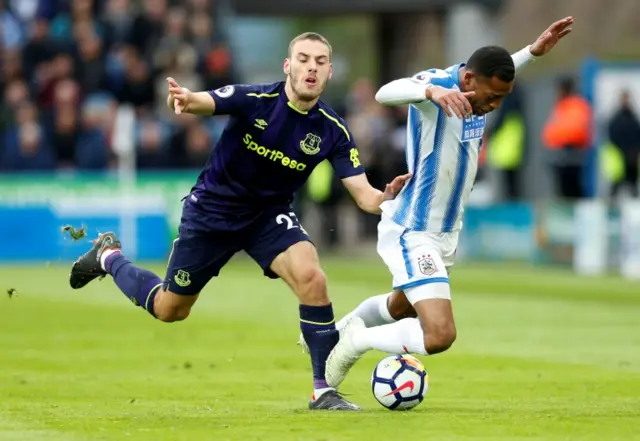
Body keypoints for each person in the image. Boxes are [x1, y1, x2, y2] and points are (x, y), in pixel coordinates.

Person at [68, 32, 410, 411]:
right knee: (170, 309)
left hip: (267, 216)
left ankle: (322, 389)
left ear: (329, 72)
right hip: (211, 213)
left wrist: (387, 198)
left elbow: (365, 197)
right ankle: (109, 256)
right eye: (303, 58)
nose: (311, 67)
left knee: (312, 276)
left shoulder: (333, 130)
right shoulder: (255, 99)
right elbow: (204, 101)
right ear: (288, 66)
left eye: (320, 61)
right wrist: (182, 99)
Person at [303, 18, 575, 390]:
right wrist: (431, 93)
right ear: (466, 82)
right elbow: (387, 92)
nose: (494, 106)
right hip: (416, 230)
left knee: (400, 307)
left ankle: (332, 332)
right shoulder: (439, 86)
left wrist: (530, 52)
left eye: (501, 99)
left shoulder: (477, 85)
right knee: (439, 334)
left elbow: (488, 76)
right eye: (491, 97)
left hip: (446, 231)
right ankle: (355, 341)